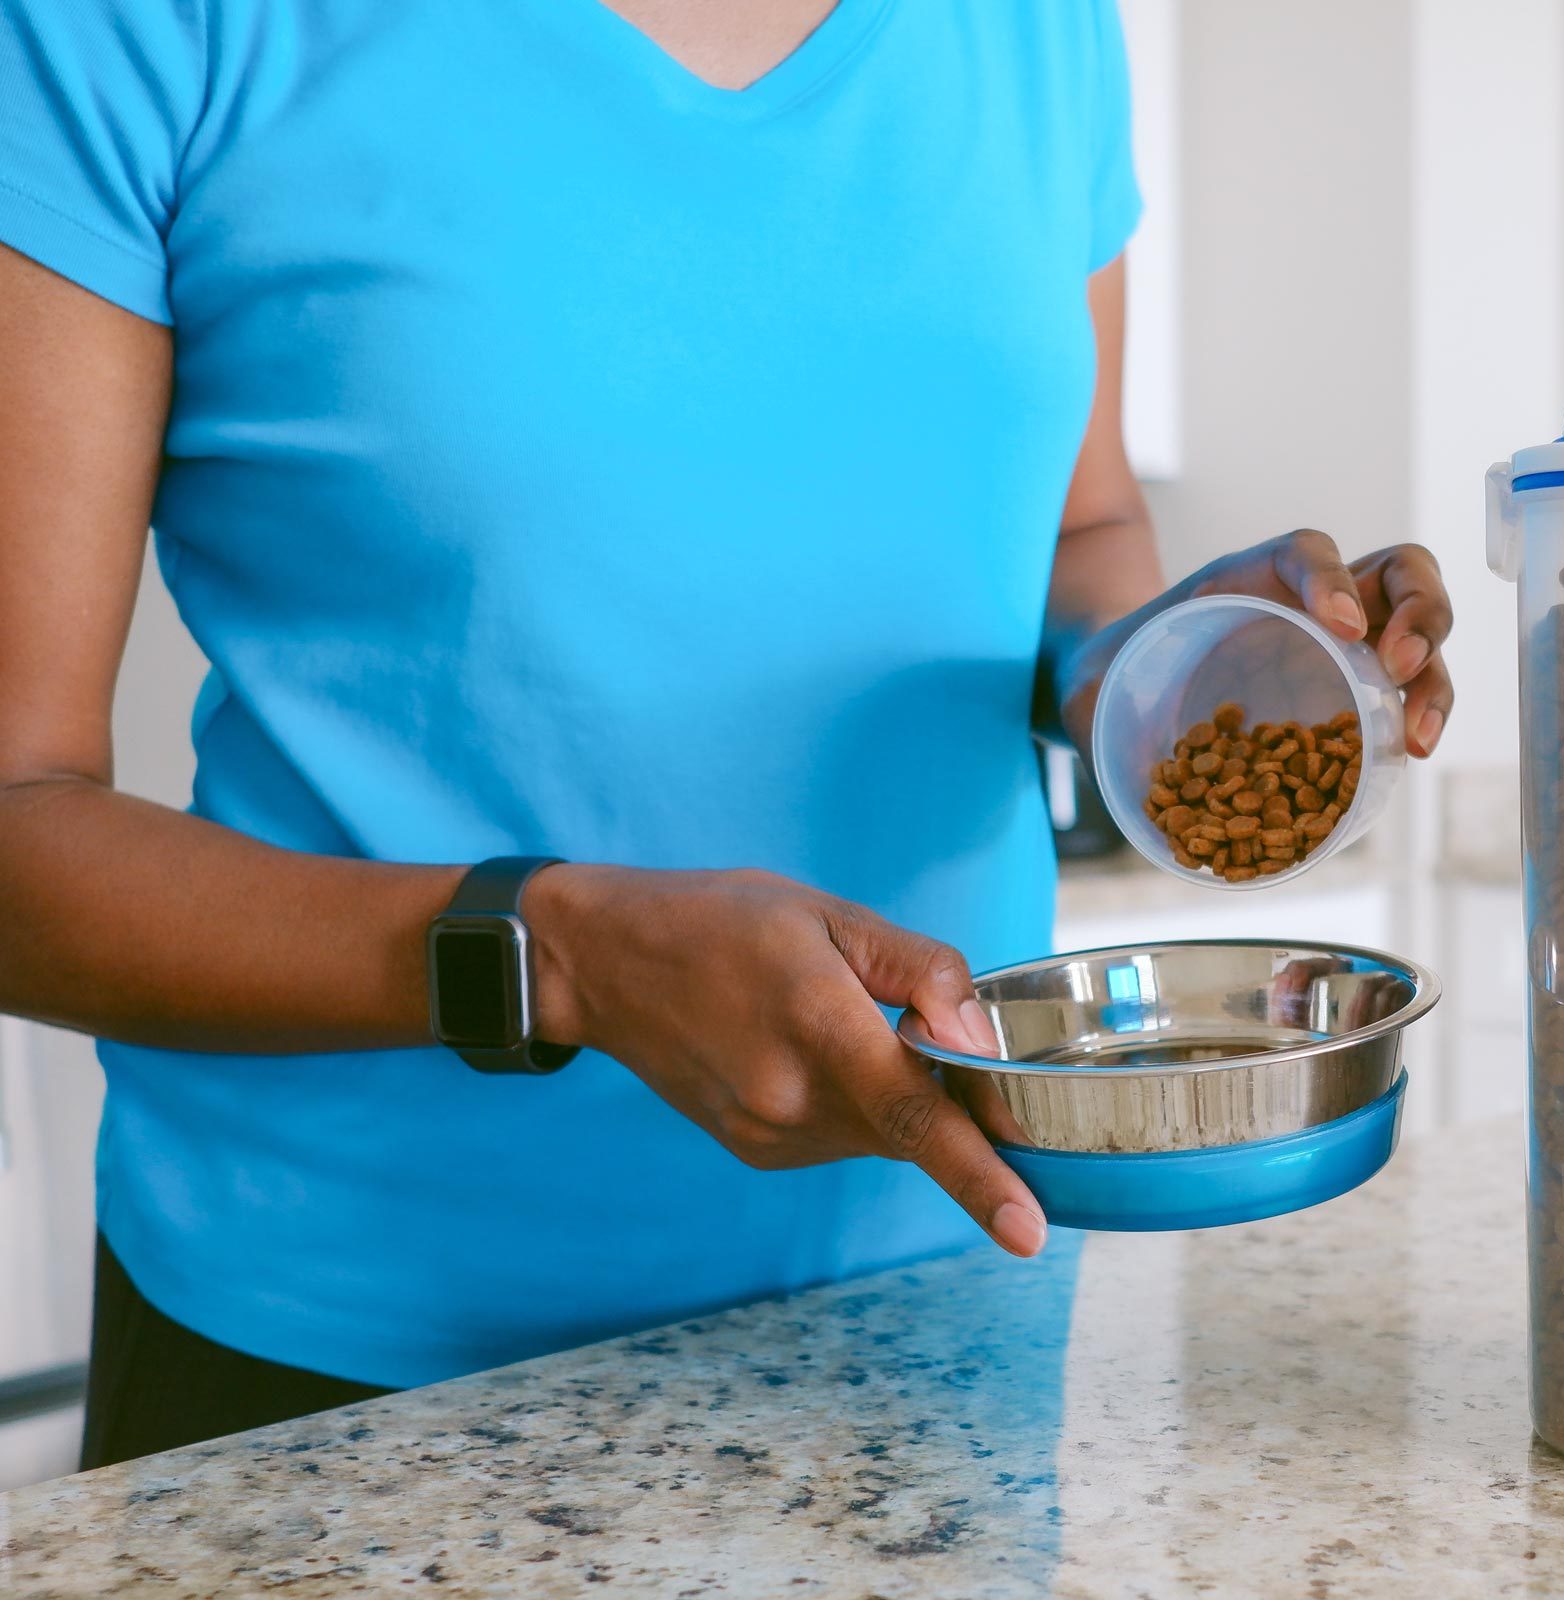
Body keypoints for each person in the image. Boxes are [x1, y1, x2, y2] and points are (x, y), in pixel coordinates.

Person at [0, 0, 1455, 1468]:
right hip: (341, 1371)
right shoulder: (134, 25)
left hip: (936, 1321)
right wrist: (565, 955)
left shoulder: (1035, 27)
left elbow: (1083, 527)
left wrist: (1170, 666)